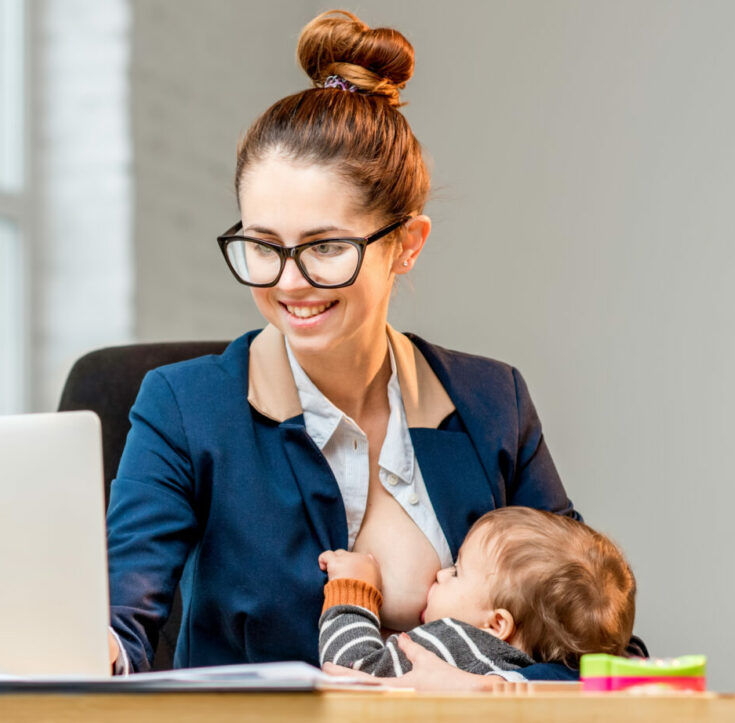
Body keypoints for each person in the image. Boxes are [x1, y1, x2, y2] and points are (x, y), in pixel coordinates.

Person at [105, 9, 581, 686]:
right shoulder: (186, 407)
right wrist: (96, 644)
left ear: (407, 244)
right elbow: (121, 618)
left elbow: (601, 653)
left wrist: (488, 689)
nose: (289, 282)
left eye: (326, 247)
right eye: (263, 246)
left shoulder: (491, 405)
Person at [317, 507, 636, 684]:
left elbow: (350, 673)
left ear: (497, 625)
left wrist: (353, 592)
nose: (441, 574)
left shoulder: (458, 640)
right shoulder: (539, 669)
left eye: (457, 571)